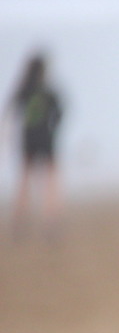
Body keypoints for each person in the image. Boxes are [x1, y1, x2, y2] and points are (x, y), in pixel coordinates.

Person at [5, 51, 64, 238]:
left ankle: (18, 222)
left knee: (25, 180)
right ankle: (51, 221)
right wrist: (52, 129)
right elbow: (60, 114)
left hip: (28, 139)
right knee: (50, 181)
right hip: (46, 139)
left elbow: (10, 112)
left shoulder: (23, 90)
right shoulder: (49, 91)